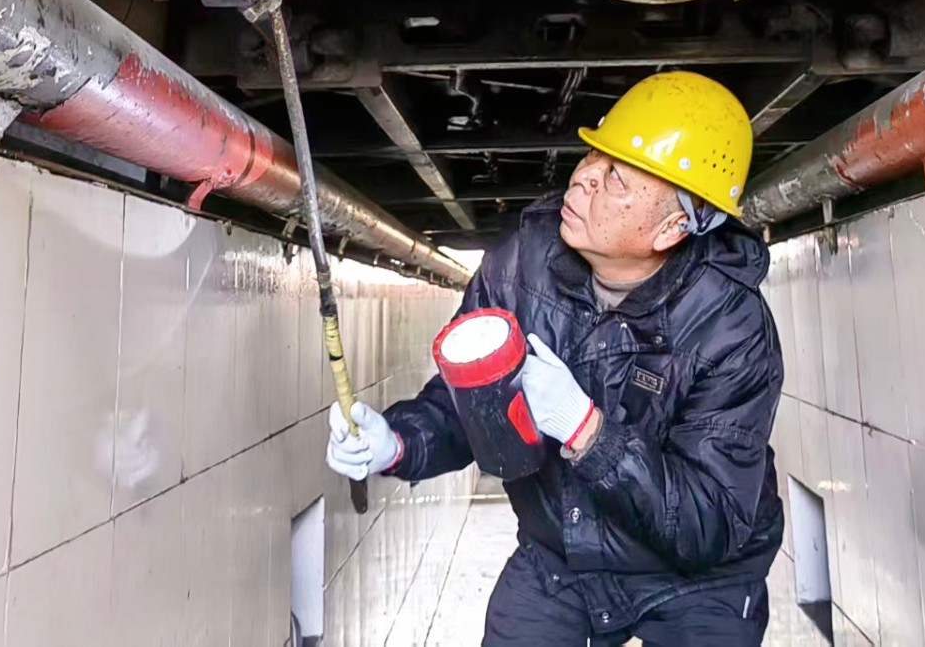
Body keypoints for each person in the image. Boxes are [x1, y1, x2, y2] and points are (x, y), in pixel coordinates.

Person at [326, 71, 784, 646]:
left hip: (698, 579)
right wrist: (398, 442)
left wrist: (587, 431)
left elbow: (709, 518)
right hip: (562, 551)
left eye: (615, 178)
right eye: (594, 155)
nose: (584, 176)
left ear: (671, 228)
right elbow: (469, 405)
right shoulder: (521, 265)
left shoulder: (731, 326)